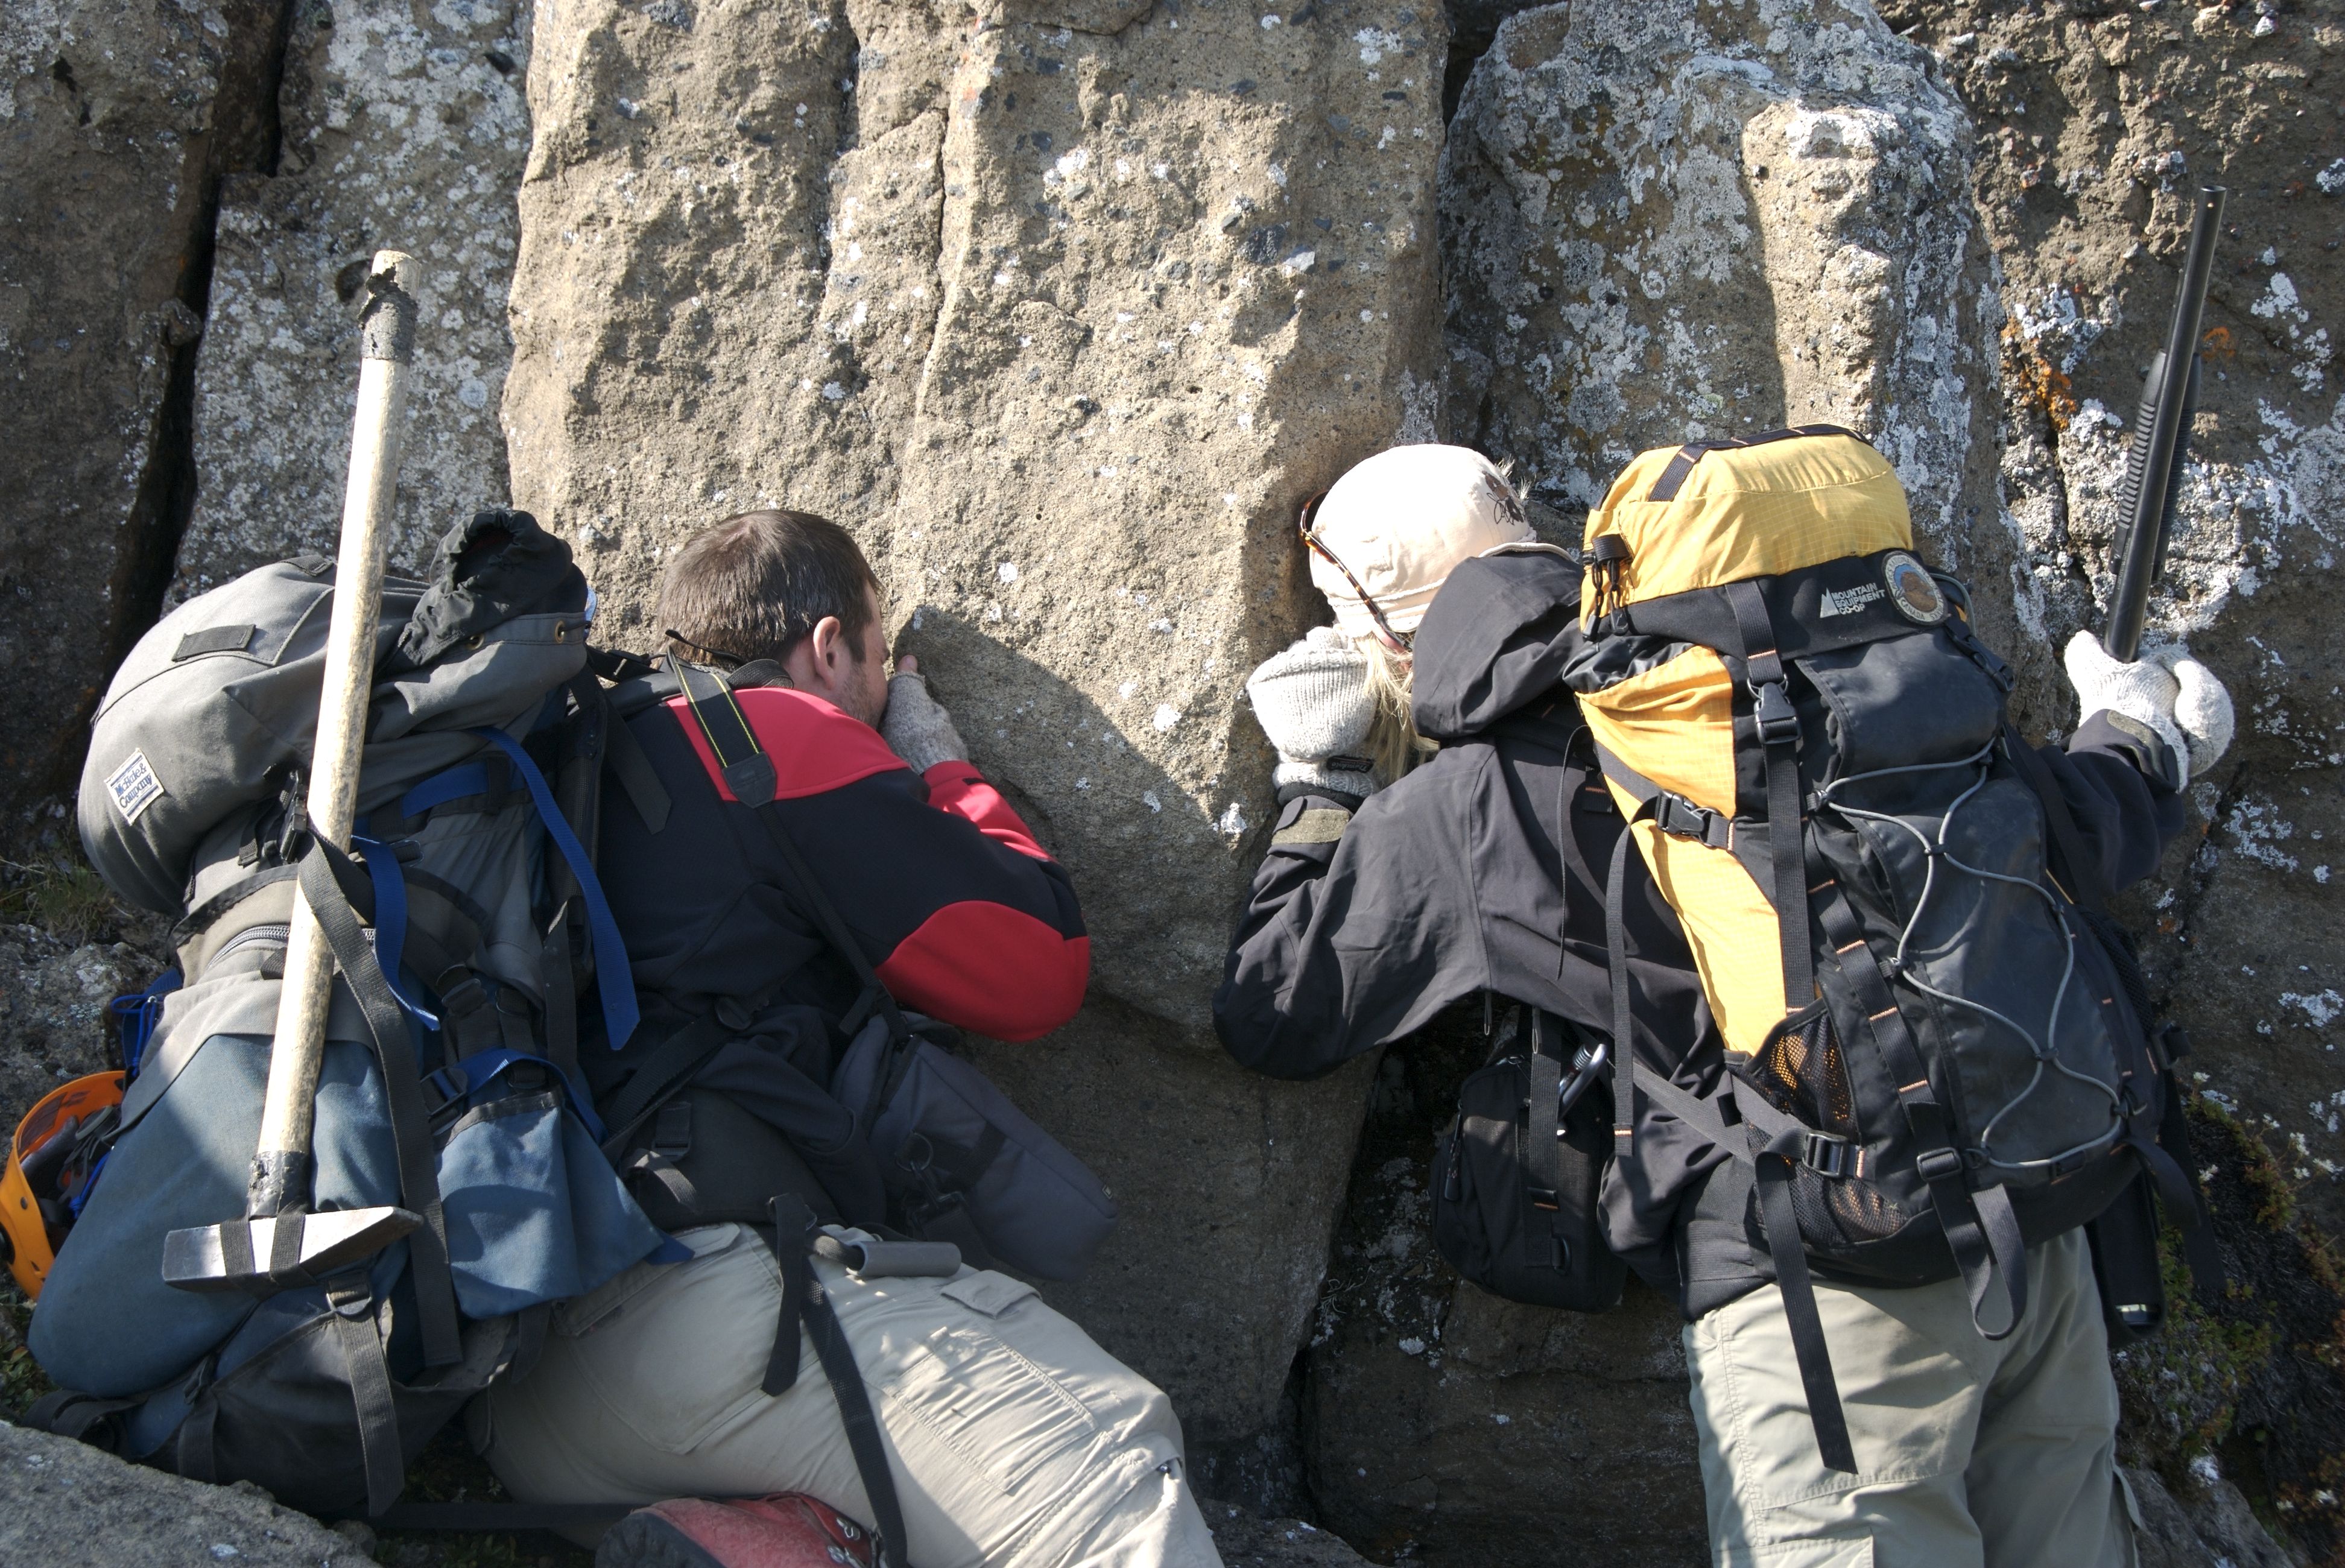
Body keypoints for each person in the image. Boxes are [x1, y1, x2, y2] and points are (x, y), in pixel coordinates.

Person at [1212, 442, 2233, 1568]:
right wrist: (2140, 745)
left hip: (1834, 1285)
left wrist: (1324, 786)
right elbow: (2047, 832)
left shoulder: (1472, 799)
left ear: (1383, 637)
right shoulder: (1796, 681)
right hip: (2038, 1206)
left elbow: (1276, 1010)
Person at [483, 508, 1223, 1568]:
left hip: (525, 1388)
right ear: (830, 646)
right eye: (878, 653)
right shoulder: (770, 733)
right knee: (1106, 1461)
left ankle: (780, 1546)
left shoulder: (576, 748)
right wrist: (934, 763)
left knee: (884, 1500)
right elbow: (1036, 970)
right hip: (703, 1319)